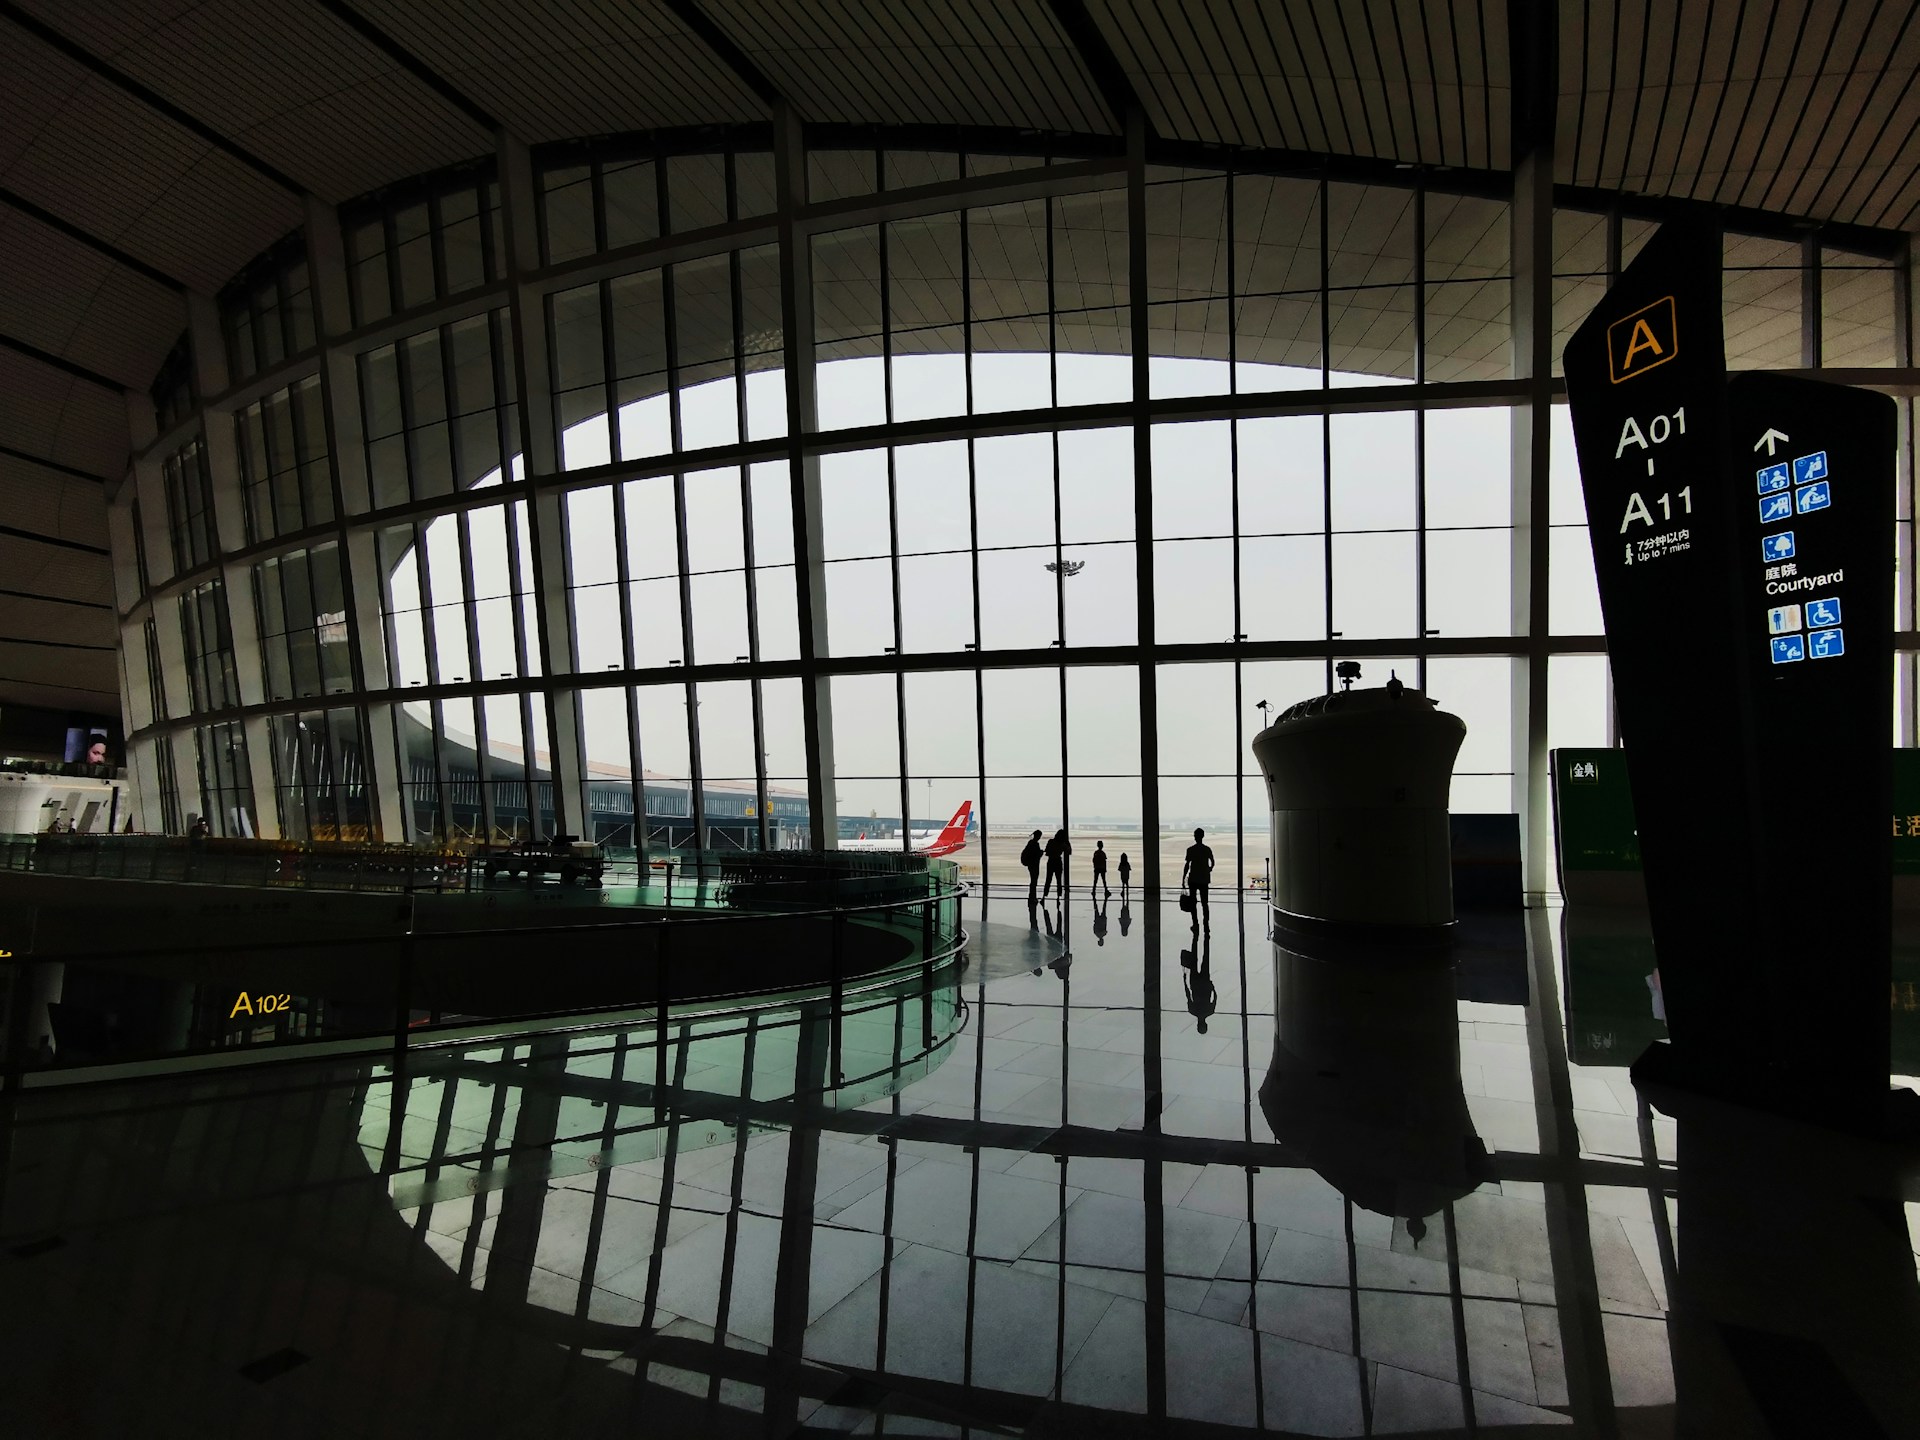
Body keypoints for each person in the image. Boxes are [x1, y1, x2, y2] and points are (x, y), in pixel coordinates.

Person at [1181, 930, 1216, 1032]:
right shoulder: (1193, 1011)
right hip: (1195, 984)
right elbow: (1188, 995)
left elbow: (1215, 998)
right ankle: (1195, 936)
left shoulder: (1210, 1011)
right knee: (1194, 959)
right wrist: (1185, 982)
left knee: (1206, 958)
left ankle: (1206, 938)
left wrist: (1212, 987)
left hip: (1205, 984)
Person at [1180, 827, 1215, 928]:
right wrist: (1209, 869)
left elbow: (1187, 865)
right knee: (1205, 903)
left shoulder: (1191, 850)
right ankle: (1206, 923)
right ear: (1203, 836)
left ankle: (1195, 923)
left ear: (1195, 837)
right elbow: (1212, 861)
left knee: (1193, 902)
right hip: (1204, 879)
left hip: (1193, 878)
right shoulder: (1207, 849)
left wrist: (1183, 878)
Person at [1042, 827, 1071, 899]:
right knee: (1059, 880)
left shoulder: (1051, 841)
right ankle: (1059, 896)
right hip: (1058, 861)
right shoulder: (1063, 844)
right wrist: (1068, 843)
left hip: (1051, 861)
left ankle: (1044, 896)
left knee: (1048, 879)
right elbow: (1069, 852)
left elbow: (1047, 852)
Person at [1020, 829, 1043, 900]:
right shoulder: (1035, 844)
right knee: (1034, 880)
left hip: (1030, 864)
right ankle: (1032, 896)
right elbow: (1036, 855)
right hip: (1034, 864)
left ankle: (1032, 896)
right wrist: (1041, 853)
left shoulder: (1030, 843)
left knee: (1033, 880)